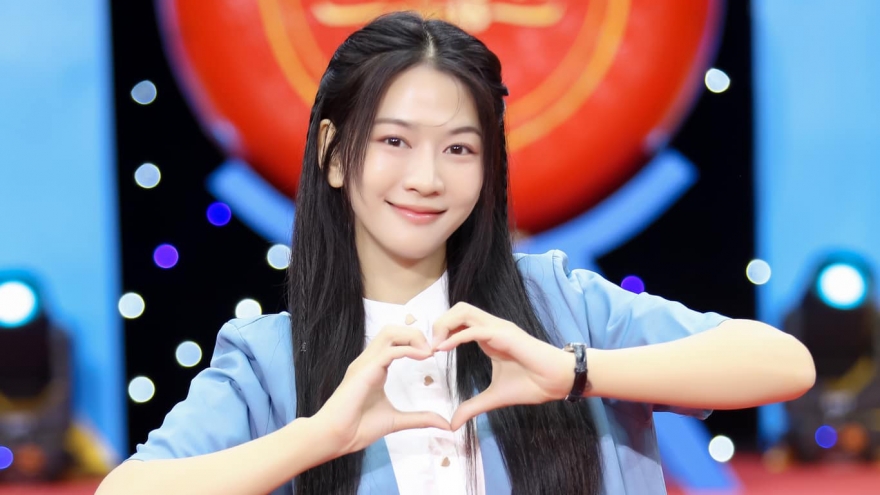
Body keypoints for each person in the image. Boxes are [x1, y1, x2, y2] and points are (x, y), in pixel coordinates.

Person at [96, 11, 815, 495]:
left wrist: (575, 372)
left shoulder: (556, 302)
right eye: (394, 140)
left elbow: (785, 364)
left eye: (460, 149)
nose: (427, 178)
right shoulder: (271, 357)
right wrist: (319, 436)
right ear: (333, 153)